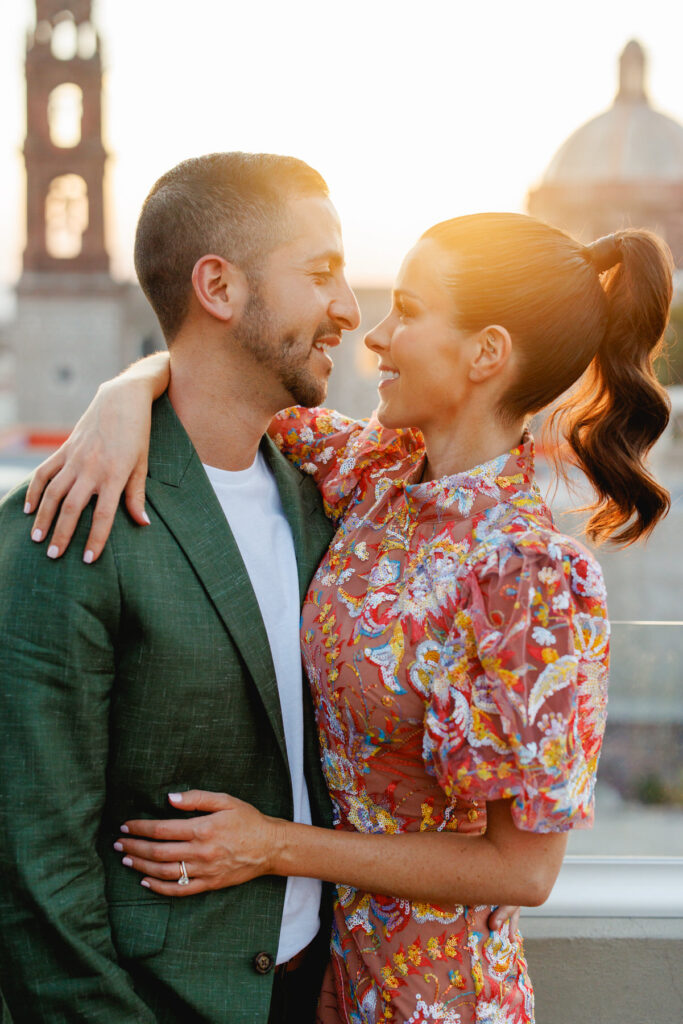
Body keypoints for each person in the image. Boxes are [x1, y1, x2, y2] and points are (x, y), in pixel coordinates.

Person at [22, 211, 673, 1022]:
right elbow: (227, 381)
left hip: (438, 1001)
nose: (376, 335)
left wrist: (272, 846)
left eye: (408, 310)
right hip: (321, 977)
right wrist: (119, 397)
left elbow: (523, 871)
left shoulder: (533, 576)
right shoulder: (375, 474)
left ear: (486, 353)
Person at [0, 151, 365, 1024]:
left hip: (316, 991)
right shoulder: (74, 511)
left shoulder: (329, 497)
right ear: (219, 287)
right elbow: (33, 870)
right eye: (320, 273)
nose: (350, 309)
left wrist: (132, 380)